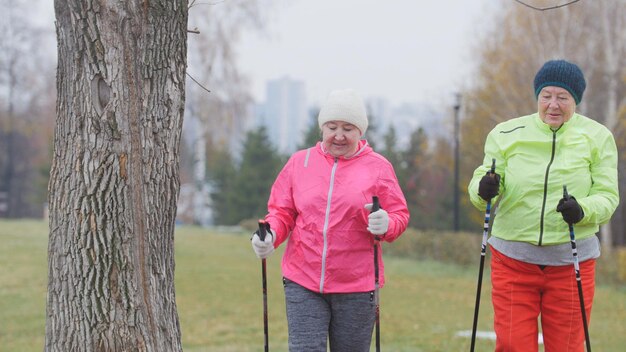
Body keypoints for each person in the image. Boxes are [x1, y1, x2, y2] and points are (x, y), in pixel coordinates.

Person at [468, 59, 619, 351]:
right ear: (537, 96)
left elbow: (608, 196)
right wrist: (483, 188)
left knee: (567, 347)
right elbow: (482, 181)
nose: (553, 104)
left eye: (562, 97)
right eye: (546, 96)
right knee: (512, 345)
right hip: (513, 258)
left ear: (575, 100)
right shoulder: (507, 133)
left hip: (571, 261)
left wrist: (582, 209)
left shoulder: (597, 137)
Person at [250, 89, 410, 351]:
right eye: (332, 126)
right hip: (303, 280)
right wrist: (270, 236)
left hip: (356, 286)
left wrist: (387, 223)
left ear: (360, 132)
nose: (339, 135)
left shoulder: (378, 167)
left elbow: (399, 215)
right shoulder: (300, 163)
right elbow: (281, 212)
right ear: (322, 128)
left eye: (348, 128)